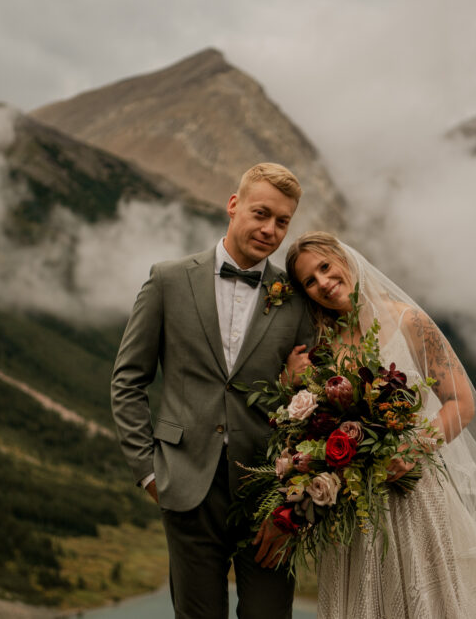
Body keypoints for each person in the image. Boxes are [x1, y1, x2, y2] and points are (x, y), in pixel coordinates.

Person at [283, 231, 476, 619]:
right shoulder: (325, 347)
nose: (323, 283)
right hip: (357, 509)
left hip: (413, 491)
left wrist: (411, 450)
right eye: (310, 282)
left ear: (345, 259)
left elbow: (461, 404)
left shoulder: (408, 320)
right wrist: (292, 383)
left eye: (324, 267)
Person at [111, 163, 314, 619]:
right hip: (184, 487)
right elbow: (127, 381)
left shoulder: (297, 298)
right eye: (261, 213)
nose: (270, 229)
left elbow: (312, 403)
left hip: (268, 495)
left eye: (282, 221)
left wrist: (294, 499)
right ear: (233, 204)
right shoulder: (166, 279)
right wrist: (149, 473)